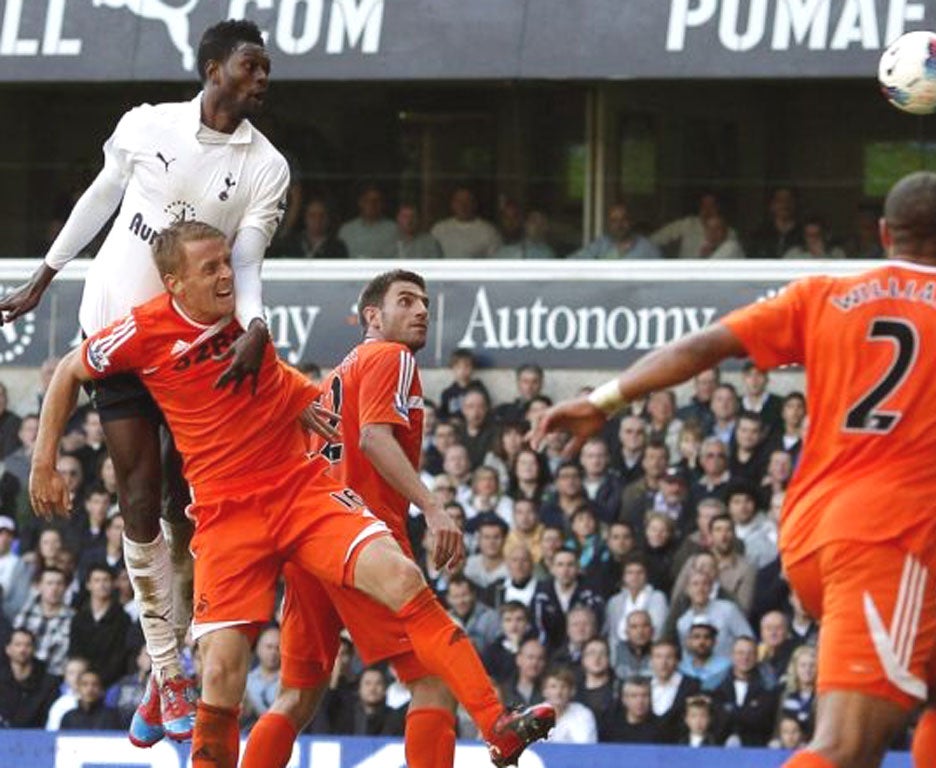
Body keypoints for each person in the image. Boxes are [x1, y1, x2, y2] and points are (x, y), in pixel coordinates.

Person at [536, 171, 936, 768]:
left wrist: (601, 400)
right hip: (885, 547)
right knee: (846, 749)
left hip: (807, 538)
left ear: (881, 234)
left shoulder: (820, 295)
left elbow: (705, 344)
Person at [29, 225, 553, 768]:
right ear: (174, 282)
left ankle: (497, 723)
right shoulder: (144, 330)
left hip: (299, 490)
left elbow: (272, 371)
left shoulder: (248, 314)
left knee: (389, 593)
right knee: (223, 673)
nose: (226, 274)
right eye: (209, 268)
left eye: (227, 263)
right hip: (225, 511)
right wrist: (44, 462)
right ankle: (167, 683)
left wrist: (299, 395)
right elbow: (70, 369)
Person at [0, 19, 293, 744]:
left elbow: (247, 260)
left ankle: (174, 664)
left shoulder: (267, 167)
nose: (262, 80)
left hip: (197, 347)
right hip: (118, 330)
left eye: (265, 69)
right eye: (251, 66)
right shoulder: (147, 125)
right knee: (137, 498)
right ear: (213, 67)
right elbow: (102, 195)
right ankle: (169, 672)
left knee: (184, 506)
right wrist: (48, 270)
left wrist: (254, 325)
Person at [248, 267, 552, 768]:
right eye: (406, 301)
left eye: (424, 303)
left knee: (297, 697)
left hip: (308, 540)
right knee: (431, 683)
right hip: (359, 535)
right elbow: (373, 437)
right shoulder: (392, 356)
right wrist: (434, 507)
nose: (421, 311)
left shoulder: (333, 378)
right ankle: (495, 723)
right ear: (373, 315)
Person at [69, 564, 133, 689]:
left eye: (106, 580)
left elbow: (120, 657)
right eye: (97, 580)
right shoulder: (79, 618)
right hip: (81, 681)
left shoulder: (123, 619)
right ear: (88, 585)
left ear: (113, 584)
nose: (101, 585)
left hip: (112, 682)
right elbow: (75, 652)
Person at [0, 628, 60, 728]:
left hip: (38, 737)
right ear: (8, 649)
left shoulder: (48, 683)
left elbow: (50, 718)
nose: (22, 650)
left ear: (34, 649)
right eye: (18, 645)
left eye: (27, 645)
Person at [570, 204, 660, 260]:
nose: (619, 224)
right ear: (609, 224)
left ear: (631, 221)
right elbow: (571, 262)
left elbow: (663, 276)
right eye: (614, 220)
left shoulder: (646, 247)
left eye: (624, 219)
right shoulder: (601, 244)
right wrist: (615, 254)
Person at [431, 186, 501, 258]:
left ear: (475, 204)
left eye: (468, 201)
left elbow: (495, 261)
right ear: (452, 204)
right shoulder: (439, 229)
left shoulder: (488, 231)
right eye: (459, 201)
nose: (463, 205)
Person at [272, 197, 347, 259]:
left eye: (322, 216)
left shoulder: (337, 248)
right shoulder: (291, 244)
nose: (317, 220)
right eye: (312, 215)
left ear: (328, 218)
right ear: (305, 218)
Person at [338, 184, 399, 259]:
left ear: (382, 204)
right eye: (367, 200)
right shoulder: (347, 230)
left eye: (376, 201)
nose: (372, 204)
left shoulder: (394, 229)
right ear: (360, 203)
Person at [543, 667, 597, 743]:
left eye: (563, 687)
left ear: (572, 691)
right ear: (544, 691)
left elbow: (586, 748)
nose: (558, 692)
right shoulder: (532, 715)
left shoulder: (583, 714)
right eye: (553, 687)